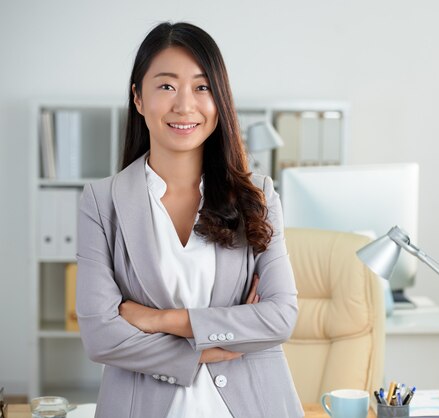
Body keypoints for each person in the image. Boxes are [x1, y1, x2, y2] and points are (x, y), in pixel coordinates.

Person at [76, 21, 303, 418]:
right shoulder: (101, 203)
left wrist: (157, 319)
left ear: (220, 99)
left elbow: (280, 317)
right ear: (138, 98)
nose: (184, 105)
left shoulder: (258, 196)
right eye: (166, 86)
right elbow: (101, 338)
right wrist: (214, 346)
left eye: (202, 87)